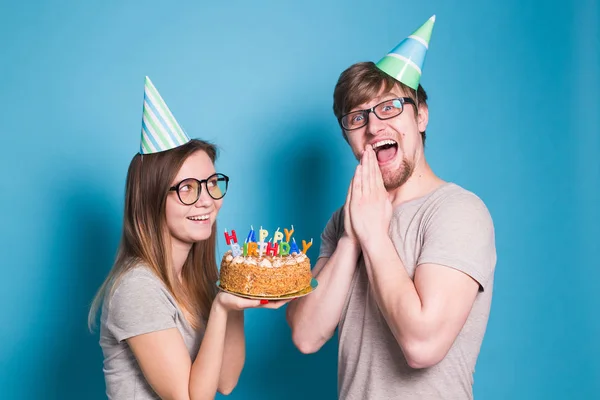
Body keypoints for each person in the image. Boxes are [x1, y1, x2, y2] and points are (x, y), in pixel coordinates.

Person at [286, 15, 497, 399]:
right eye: (358, 117)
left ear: (420, 115)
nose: (373, 126)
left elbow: (422, 345)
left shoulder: (458, 212)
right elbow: (305, 334)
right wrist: (351, 236)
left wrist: (373, 235)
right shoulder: (345, 221)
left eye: (389, 107)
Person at [88, 77, 286, 400]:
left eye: (211, 183)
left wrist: (232, 293)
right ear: (152, 200)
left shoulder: (193, 280)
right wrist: (222, 307)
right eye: (188, 188)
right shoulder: (137, 287)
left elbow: (227, 380)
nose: (207, 200)